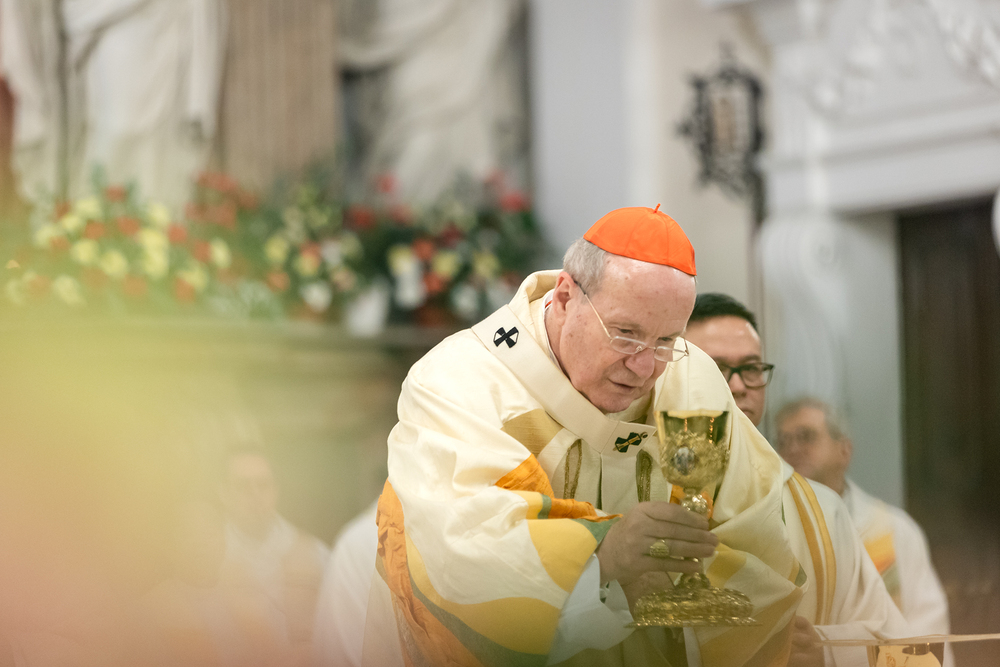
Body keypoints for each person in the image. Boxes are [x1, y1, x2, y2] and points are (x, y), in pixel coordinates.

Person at [363, 207, 908, 667]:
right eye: (625, 333)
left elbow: (750, 539)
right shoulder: (462, 383)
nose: (645, 367)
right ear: (565, 297)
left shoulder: (690, 380)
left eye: (667, 340)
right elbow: (471, 554)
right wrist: (605, 555)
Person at [774, 398, 951, 644]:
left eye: (806, 437)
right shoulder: (773, 530)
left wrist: (831, 655)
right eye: (783, 441)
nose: (792, 449)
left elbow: (928, 631)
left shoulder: (894, 530)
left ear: (844, 451)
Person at [218, 448, 329, 661]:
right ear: (223, 493)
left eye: (263, 485)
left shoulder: (314, 553)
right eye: (242, 486)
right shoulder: (207, 557)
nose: (254, 494)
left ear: (276, 490)